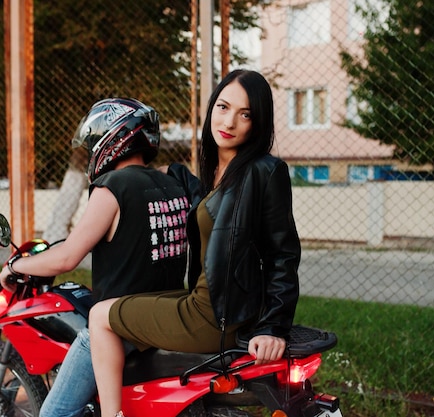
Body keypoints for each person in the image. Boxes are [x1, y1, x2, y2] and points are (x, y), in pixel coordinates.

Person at [88, 69, 301, 417]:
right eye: (223, 107)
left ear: (258, 123)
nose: (229, 121)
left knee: (99, 315)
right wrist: (167, 178)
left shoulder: (265, 170)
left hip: (213, 316)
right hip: (209, 302)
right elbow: (209, 209)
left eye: (245, 114)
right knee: (122, 304)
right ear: (211, 109)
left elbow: (284, 254)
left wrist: (273, 326)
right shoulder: (218, 170)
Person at [0, 97, 190, 417]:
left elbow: (66, 259)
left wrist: (15, 266)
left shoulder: (112, 187)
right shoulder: (172, 183)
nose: (90, 149)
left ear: (112, 137)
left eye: (92, 141)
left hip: (118, 328)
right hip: (164, 317)